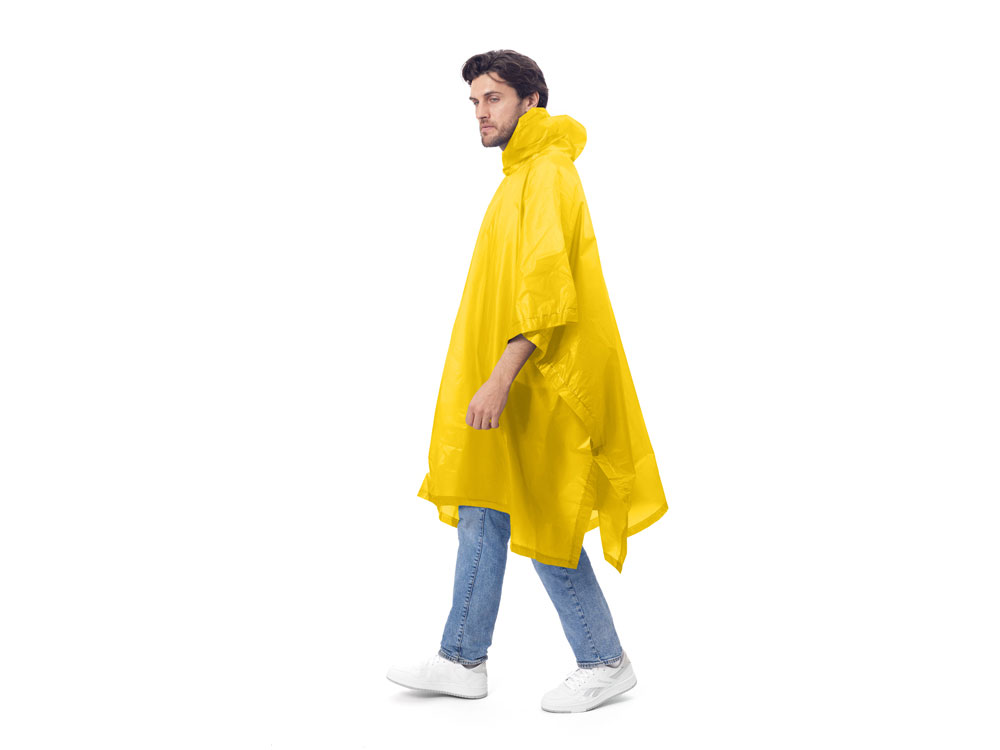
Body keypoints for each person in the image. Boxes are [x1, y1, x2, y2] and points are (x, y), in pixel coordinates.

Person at [387, 50, 669, 713]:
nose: (480, 113)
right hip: (514, 380)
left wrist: (500, 376)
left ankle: (604, 660)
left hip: (542, 379)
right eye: (474, 102)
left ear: (530, 100)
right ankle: (462, 657)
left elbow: (548, 289)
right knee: (484, 503)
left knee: (547, 514)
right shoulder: (520, 175)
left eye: (493, 98)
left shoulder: (547, 173)